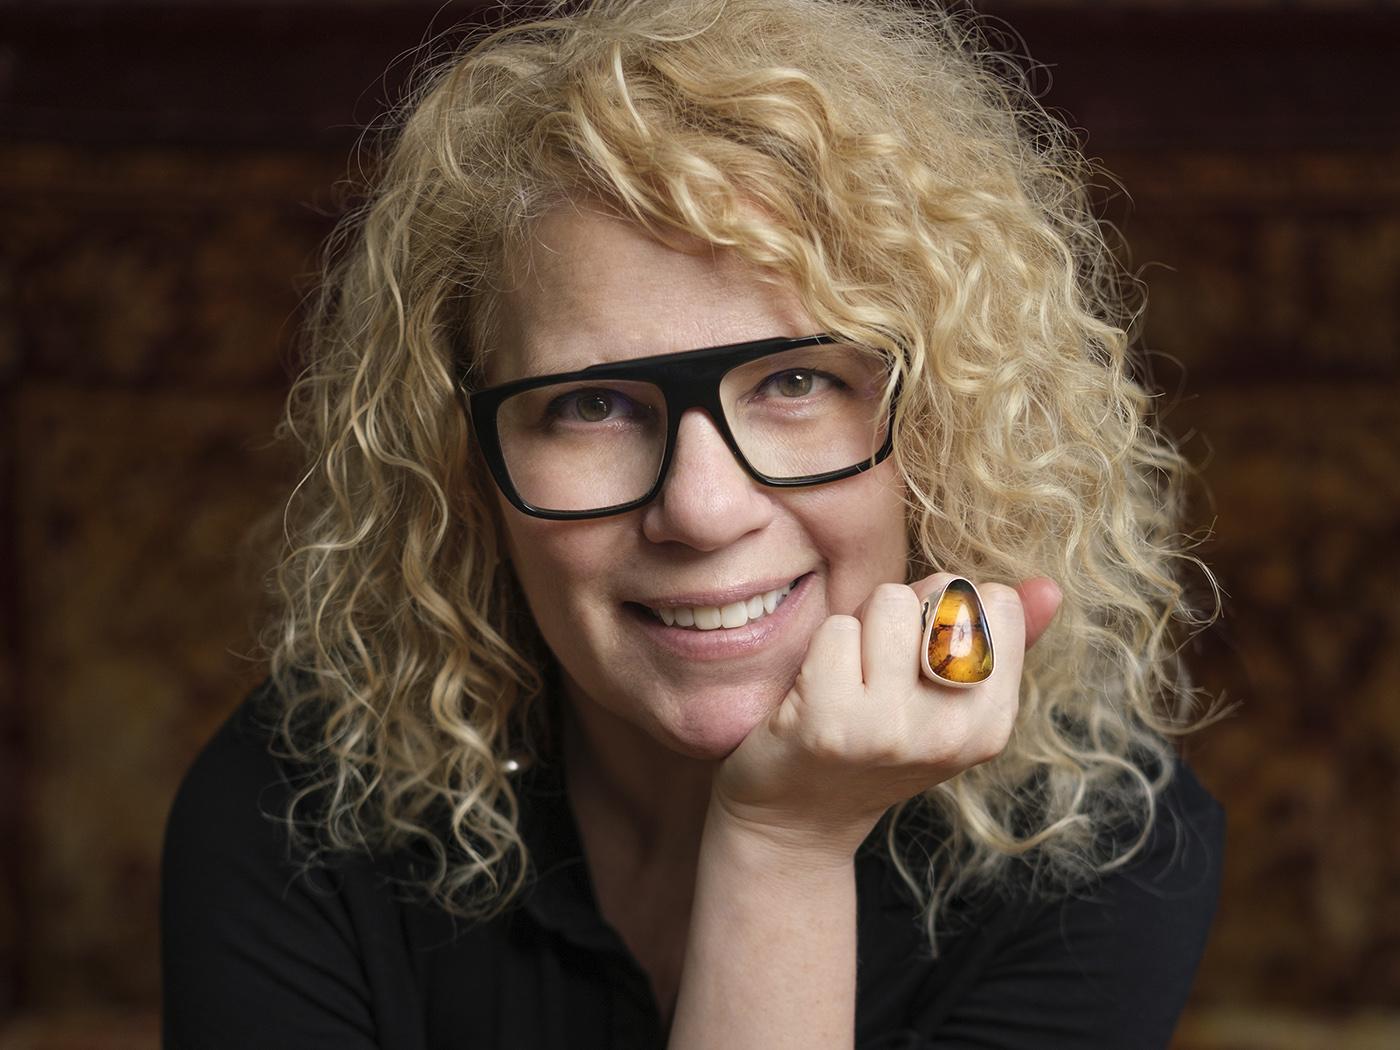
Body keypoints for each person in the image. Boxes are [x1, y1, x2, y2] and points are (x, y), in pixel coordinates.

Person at [160, 0, 1230, 1046]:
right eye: (589, 405)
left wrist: (780, 845)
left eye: (798, 381)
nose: (701, 509)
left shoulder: (1097, 840)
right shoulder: (292, 810)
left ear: (943, 425)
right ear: (464, 464)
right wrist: (785, 844)